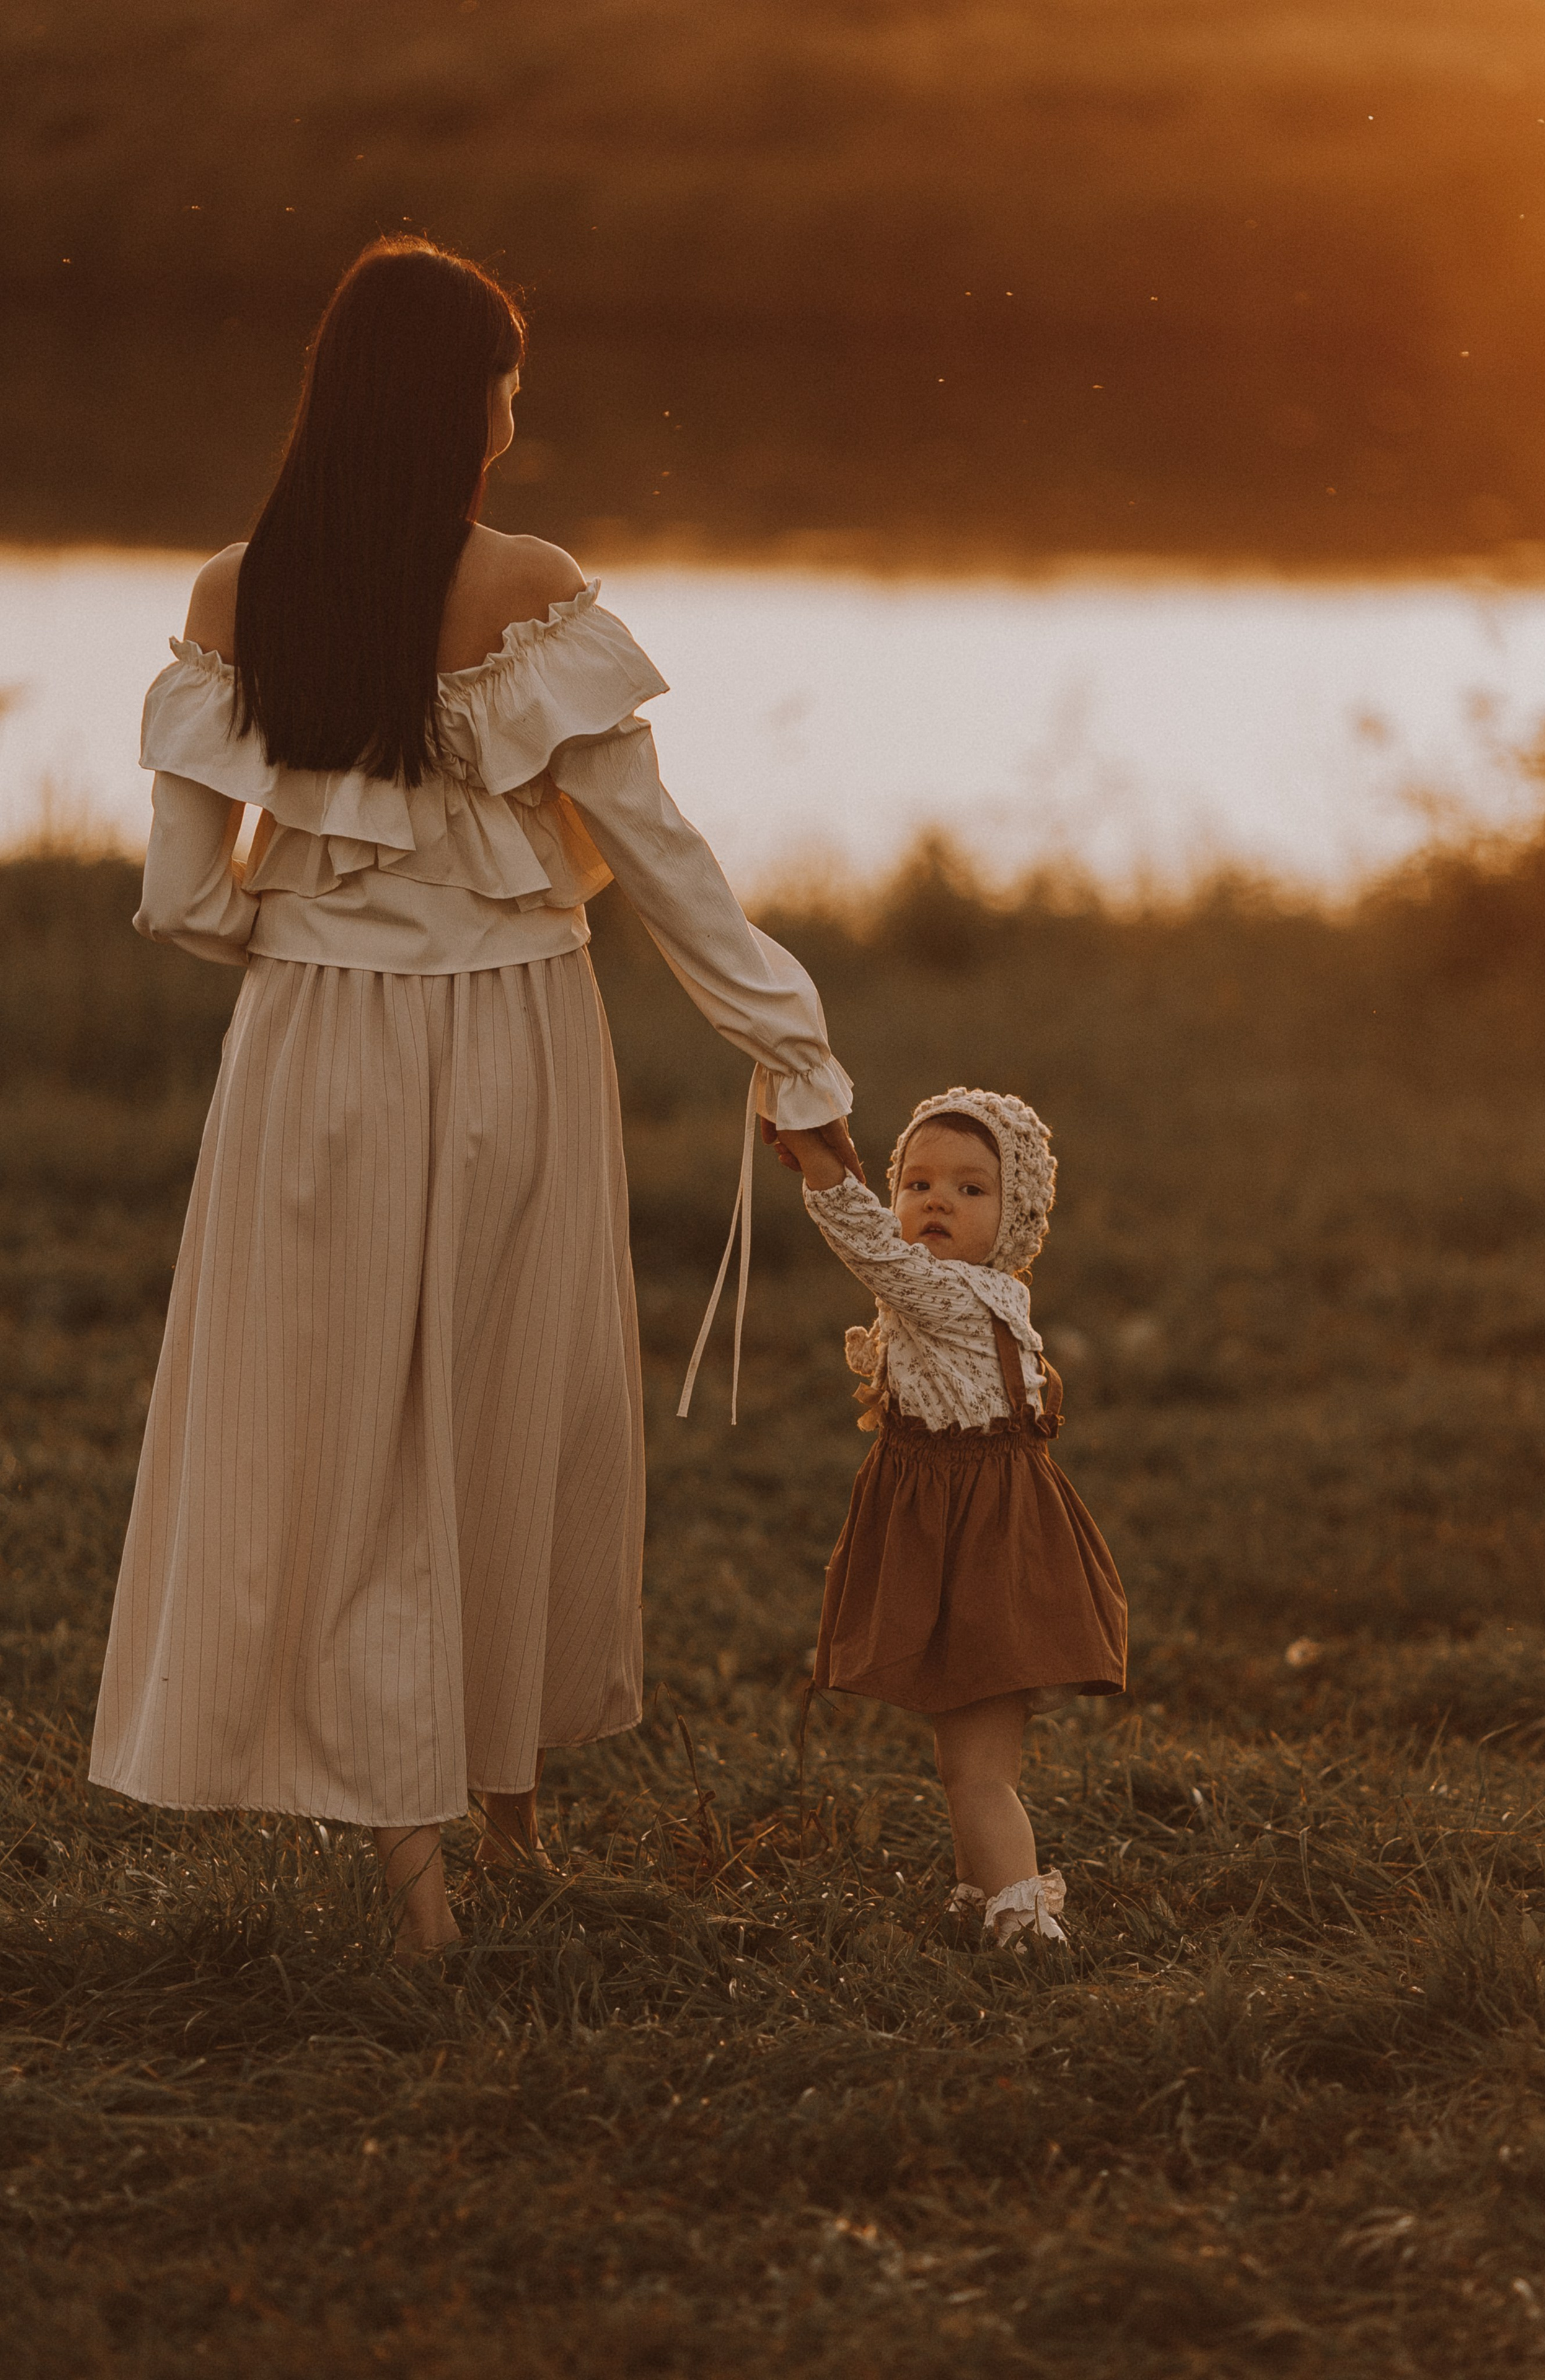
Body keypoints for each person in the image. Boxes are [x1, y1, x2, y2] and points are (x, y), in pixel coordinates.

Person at [88, 238, 861, 1958]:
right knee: (517, 1399)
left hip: (313, 1051)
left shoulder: (232, 593)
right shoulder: (530, 587)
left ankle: (437, 1864)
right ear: (470, 401)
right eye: (511, 373)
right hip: (510, 1033)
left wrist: (325, 912)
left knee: (348, 1422)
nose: (523, 405)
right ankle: (488, 1828)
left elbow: (192, 895)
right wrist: (789, 1048)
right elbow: (663, 864)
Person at [771, 1088, 1126, 1946]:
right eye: (918, 1182)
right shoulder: (978, 1293)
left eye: (971, 1189)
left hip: (980, 1555)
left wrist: (822, 1165)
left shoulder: (955, 1297)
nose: (937, 1201)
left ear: (1013, 1219)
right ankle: (981, 1895)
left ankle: (1024, 1922)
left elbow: (876, 1257)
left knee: (977, 1769)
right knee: (966, 1756)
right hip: (983, 1542)